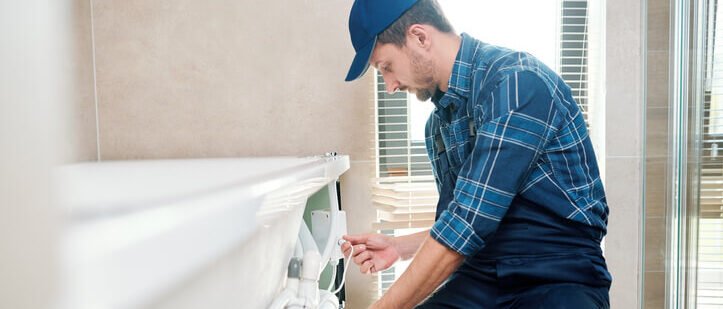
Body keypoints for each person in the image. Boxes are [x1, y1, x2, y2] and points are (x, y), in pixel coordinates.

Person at [341, 0, 613, 308]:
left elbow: (466, 226)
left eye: (386, 67)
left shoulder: (516, 84)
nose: (389, 85)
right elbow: (477, 219)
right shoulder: (438, 128)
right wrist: (398, 246)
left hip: (559, 275)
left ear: (420, 37)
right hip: (481, 276)